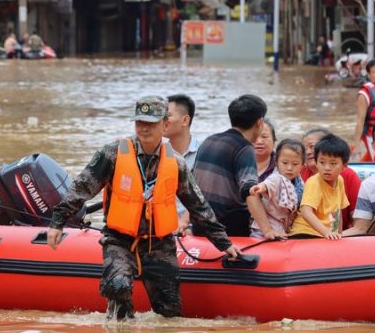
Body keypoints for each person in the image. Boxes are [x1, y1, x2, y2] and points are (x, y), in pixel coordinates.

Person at [46, 96, 240, 320]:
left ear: (164, 125)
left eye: (150, 123)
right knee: (117, 286)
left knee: (170, 310)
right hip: (119, 239)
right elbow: (81, 188)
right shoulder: (112, 154)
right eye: (140, 122)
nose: (144, 128)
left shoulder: (177, 164)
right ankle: (122, 324)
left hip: (158, 242)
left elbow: (198, 205)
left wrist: (223, 243)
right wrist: (57, 222)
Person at [193, 94, 273, 237]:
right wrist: (267, 230)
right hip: (228, 231)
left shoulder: (208, 140)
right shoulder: (244, 148)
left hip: (199, 226)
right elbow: (250, 191)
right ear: (259, 122)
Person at [289, 134, 351, 239]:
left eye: (333, 163)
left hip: (322, 234)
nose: (327, 168)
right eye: (322, 162)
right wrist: (326, 232)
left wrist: (338, 234)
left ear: (344, 166)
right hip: (304, 232)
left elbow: (337, 212)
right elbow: (306, 211)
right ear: (316, 163)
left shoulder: (340, 180)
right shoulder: (314, 183)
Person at [300, 127, 361, 229]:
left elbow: (355, 216)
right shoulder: (299, 174)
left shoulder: (347, 176)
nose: (308, 152)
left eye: (312, 147)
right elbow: (305, 211)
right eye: (304, 149)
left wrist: (338, 234)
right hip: (309, 232)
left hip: (333, 233)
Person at [247, 139, 306, 238]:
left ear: (302, 166)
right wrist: (259, 188)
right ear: (276, 162)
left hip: (283, 227)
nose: (289, 168)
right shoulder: (276, 178)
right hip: (265, 228)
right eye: (285, 163)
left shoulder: (300, 183)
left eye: (295, 164)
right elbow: (268, 184)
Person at [163, 94, 200, 231]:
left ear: (185, 120)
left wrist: (184, 222)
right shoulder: (156, 155)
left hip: (194, 226)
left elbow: (205, 194)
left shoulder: (203, 154)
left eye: (167, 115)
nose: (161, 120)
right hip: (164, 225)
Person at [253, 118, 277, 182]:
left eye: (264, 136)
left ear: (274, 142)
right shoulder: (234, 166)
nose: (259, 141)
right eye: (254, 136)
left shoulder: (284, 165)